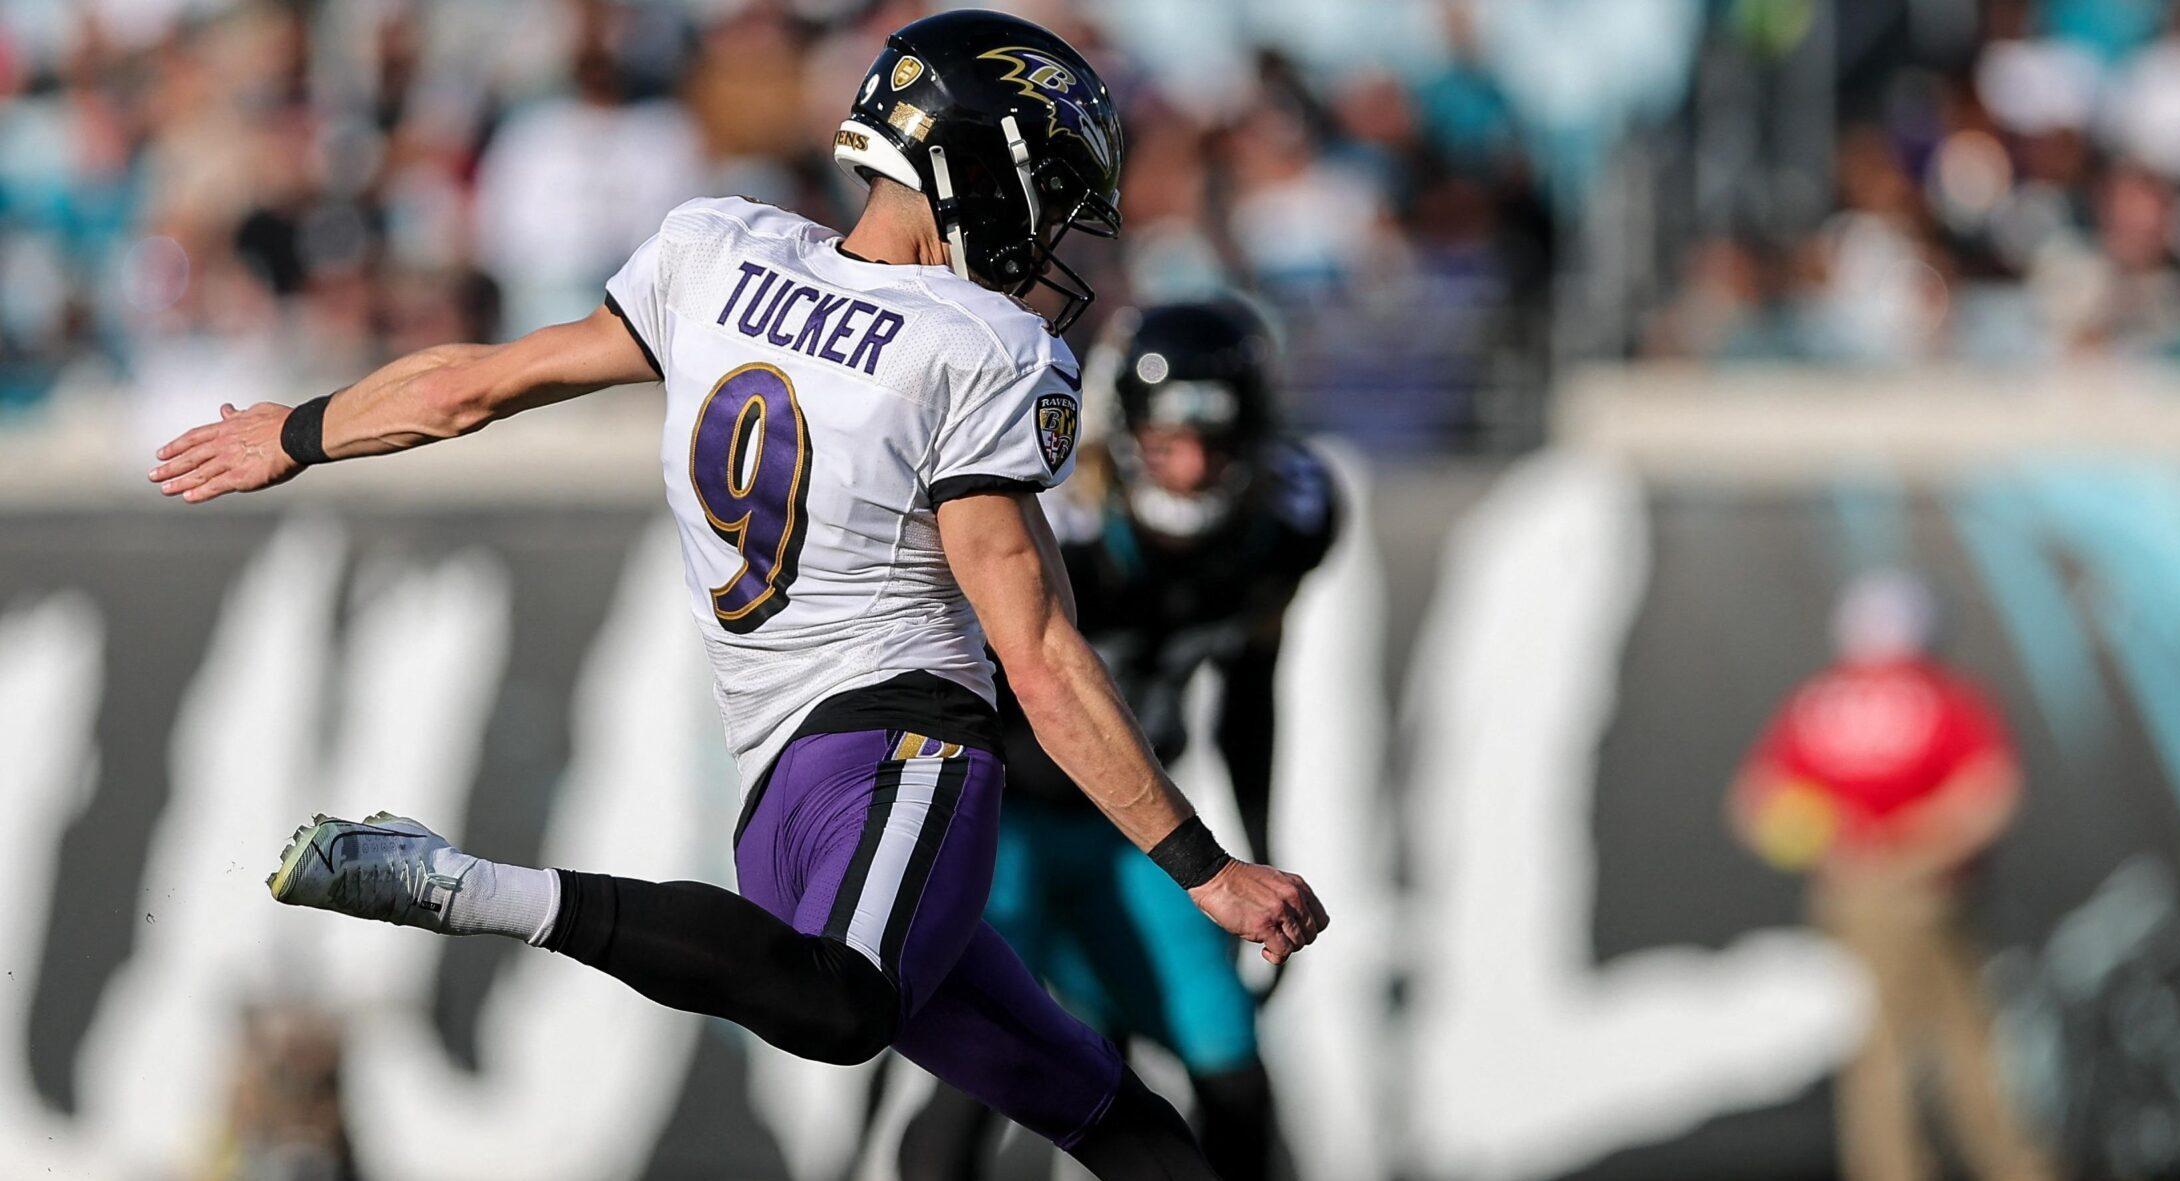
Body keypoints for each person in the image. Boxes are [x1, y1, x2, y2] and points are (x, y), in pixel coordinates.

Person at [144, 12, 1326, 1178]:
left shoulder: (719, 254)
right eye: (1052, 188)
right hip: (904, 749)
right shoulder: (982, 347)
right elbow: (1039, 652)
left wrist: (302, 428)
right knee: (849, 1006)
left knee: (1117, 1124)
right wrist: (1207, 868)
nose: (1057, 227)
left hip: (781, 782)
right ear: (978, 166)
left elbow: (475, 387)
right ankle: (464, 885)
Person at [898, 300, 1336, 1180]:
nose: (1196, 463)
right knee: (981, 1071)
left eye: (1217, 437)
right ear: (1127, 428)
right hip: (1002, 815)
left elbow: (1249, 695)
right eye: (1172, 436)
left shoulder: (1287, 517)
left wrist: (1254, 845)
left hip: (1137, 827)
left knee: (1231, 1061)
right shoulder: (1061, 513)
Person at [1726, 571, 2050, 1181]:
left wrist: (1839, 844)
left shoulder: (1818, 703)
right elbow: (1992, 794)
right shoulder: (1941, 697)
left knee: (1901, 1052)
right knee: (1952, 1049)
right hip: (1928, 893)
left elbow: (1755, 803)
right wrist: (1915, 846)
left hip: (1862, 899)